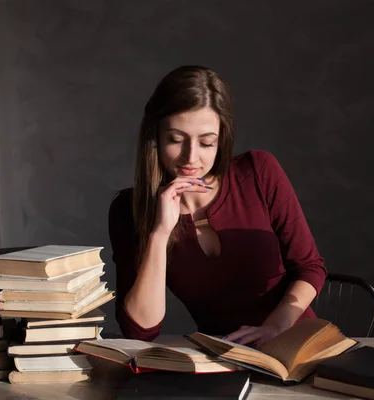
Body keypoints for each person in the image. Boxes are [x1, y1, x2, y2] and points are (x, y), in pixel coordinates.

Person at [108, 65, 327, 348]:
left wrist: (275, 325)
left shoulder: (258, 171)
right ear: (155, 138)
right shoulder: (129, 211)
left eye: (206, 143)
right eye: (176, 139)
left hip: (295, 343)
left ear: (221, 139)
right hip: (225, 356)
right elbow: (139, 331)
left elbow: (310, 267)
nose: (191, 157)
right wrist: (160, 233)